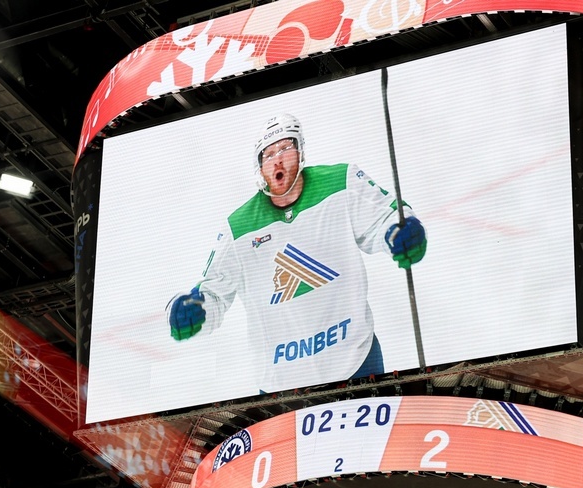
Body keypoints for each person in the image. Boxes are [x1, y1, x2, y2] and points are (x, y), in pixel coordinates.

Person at [168, 113, 426, 392]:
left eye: (285, 148)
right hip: (282, 387)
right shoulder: (238, 228)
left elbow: (385, 218)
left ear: (301, 152)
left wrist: (400, 233)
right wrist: (194, 312)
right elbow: (213, 293)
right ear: (260, 168)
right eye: (268, 155)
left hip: (356, 364)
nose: (277, 160)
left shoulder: (342, 182)